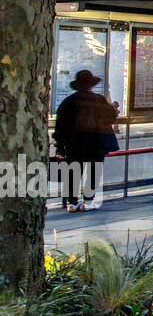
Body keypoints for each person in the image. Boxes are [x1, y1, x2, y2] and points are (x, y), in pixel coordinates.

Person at [53, 69, 118, 211]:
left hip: (75, 144)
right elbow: (112, 118)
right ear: (91, 85)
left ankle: (72, 202)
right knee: (94, 171)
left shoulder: (69, 102)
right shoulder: (99, 100)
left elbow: (60, 126)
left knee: (74, 172)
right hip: (97, 143)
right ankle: (88, 201)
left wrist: (60, 144)